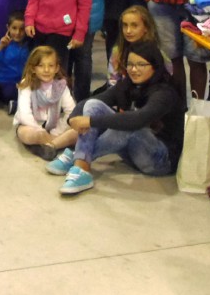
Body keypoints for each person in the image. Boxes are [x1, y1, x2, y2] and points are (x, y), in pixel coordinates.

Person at [47, 40, 185, 196]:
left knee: (128, 124)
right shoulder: (129, 84)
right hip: (133, 150)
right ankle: (81, 162)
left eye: (141, 65)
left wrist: (90, 121)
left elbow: (138, 120)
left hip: (160, 160)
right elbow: (97, 99)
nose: (134, 69)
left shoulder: (164, 93)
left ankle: (78, 159)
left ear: (155, 66)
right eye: (130, 64)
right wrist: (73, 118)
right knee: (94, 105)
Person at [12, 45, 77, 160]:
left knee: (78, 132)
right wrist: (40, 130)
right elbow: (24, 114)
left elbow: (71, 111)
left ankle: (48, 146)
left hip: (54, 127)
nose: (46, 70)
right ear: (33, 68)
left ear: (57, 68)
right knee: (30, 134)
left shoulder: (60, 85)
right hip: (30, 126)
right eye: (41, 66)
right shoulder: (26, 84)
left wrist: (58, 131)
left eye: (51, 66)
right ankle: (56, 144)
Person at [108, 5, 170, 85]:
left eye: (134, 25)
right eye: (125, 25)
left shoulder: (158, 53)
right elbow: (112, 81)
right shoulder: (117, 52)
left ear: (146, 27)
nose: (128, 31)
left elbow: (166, 79)